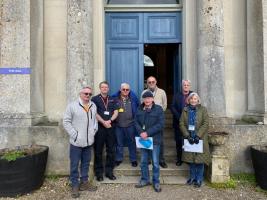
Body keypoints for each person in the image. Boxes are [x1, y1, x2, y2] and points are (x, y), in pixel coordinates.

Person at [63, 86, 98, 198]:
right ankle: (74, 185)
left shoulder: (93, 106)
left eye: (89, 94)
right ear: (81, 94)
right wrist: (75, 135)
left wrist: (93, 131)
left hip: (88, 142)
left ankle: (84, 182)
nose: (88, 96)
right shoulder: (72, 106)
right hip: (76, 142)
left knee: (86, 163)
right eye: (86, 93)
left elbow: (94, 121)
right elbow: (66, 122)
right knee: (74, 164)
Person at [135, 91, 165, 192]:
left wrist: (147, 133)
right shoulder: (139, 109)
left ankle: (156, 182)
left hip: (155, 140)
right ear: (143, 100)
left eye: (149, 98)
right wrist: (141, 132)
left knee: (155, 163)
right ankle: (145, 180)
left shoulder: (158, 109)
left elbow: (160, 124)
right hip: (143, 140)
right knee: (143, 161)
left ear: (152, 99)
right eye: (145, 98)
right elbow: (135, 123)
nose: (147, 100)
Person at [179, 92, 210, 187]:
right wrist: (187, 135)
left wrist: (198, 136)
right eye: (191, 98)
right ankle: (192, 178)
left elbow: (205, 123)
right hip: (189, 138)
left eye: (195, 98)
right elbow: (181, 123)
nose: (193, 100)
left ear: (198, 100)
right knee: (191, 160)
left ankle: (199, 179)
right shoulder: (185, 110)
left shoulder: (203, 109)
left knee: (200, 161)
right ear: (189, 100)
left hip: (200, 139)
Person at [91, 81, 119, 182]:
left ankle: (109, 172)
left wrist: (110, 120)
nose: (104, 89)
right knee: (98, 151)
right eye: (102, 87)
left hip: (111, 127)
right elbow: (94, 113)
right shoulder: (94, 99)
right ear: (100, 88)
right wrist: (103, 122)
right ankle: (99, 173)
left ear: (108, 88)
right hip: (100, 128)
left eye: (106, 87)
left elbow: (116, 112)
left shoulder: (113, 99)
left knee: (111, 150)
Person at [141, 76, 168, 168]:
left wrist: (157, 113)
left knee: (160, 142)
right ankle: (148, 159)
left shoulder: (162, 92)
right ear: (147, 83)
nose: (151, 83)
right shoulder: (144, 92)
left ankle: (161, 160)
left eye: (153, 82)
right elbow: (142, 105)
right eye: (149, 82)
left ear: (156, 82)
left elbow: (165, 105)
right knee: (146, 140)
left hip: (158, 121)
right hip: (147, 120)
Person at [112, 83, 139, 167]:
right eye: (123, 89)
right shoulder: (115, 99)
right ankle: (119, 159)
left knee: (132, 143)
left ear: (129, 90)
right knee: (119, 143)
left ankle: (133, 159)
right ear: (120, 90)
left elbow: (138, 108)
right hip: (118, 125)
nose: (125, 91)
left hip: (130, 125)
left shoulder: (133, 99)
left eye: (127, 89)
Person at [170, 80, 193, 166]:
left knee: (188, 141)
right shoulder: (177, 95)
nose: (186, 86)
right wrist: (180, 117)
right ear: (182, 86)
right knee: (179, 142)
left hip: (190, 123)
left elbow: (196, 106)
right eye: (184, 85)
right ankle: (179, 159)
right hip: (178, 122)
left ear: (189, 86)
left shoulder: (193, 95)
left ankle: (188, 159)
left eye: (187, 85)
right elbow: (172, 106)